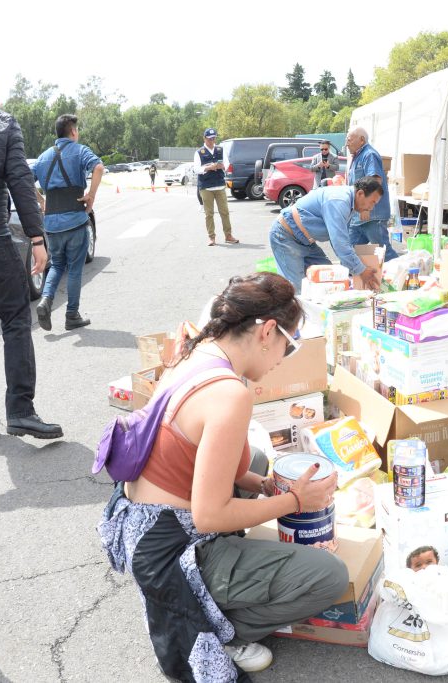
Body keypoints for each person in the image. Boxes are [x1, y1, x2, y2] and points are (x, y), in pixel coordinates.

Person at [98, 272, 347, 678]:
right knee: (329, 576)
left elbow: (193, 455)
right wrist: (296, 502)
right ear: (268, 331)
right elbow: (208, 517)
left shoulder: (198, 354)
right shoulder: (230, 394)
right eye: (290, 343)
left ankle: (211, 591)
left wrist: (262, 486)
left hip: (141, 526)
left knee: (260, 464)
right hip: (170, 551)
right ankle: (217, 628)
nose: (285, 356)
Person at [0, 73, 63, 440]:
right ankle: (20, 410)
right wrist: (37, 237)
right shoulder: (2, 125)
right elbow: (20, 181)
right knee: (16, 320)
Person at [31, 114, 103, 332]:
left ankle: (45, 301)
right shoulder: (80, 150)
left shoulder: (43, 157)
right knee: (73, 269)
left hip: (51, 222)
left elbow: (23, 179)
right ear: (73, 131)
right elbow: (98, 167)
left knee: (58, 264)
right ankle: (71, 314)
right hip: (75, 219)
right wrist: (91, 194)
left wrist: (41, 199)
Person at [268, 176, 384, 292]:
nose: (372, 208)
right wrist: (360, 270)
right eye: (372, 202)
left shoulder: (350, 205)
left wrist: (354, 268)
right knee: (295, 289)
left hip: (305, 241)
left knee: (329, 278)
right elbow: (339, 242)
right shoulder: (339, 200)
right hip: (286, 236)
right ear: (360, 193)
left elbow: (341, 240)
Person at [345, 127, 398, 262]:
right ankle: (351, 280)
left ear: (361, 140)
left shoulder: (369, 155)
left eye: (349, 140)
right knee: (349, 251)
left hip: (372, 215)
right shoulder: (357, 157)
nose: (347, 143)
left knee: (384, 253)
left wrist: (367, 208)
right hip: (358, 216)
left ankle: (405, 276)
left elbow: (374, 181)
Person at [194, 128, 239, 247]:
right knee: (209, 214)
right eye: (210, 139)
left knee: (224, 212)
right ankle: (211, 237)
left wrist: (222, 166)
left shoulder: (220, 149)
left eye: (214, 138)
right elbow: (196, 169)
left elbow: (227, 164)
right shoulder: (199, 152)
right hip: (206, 187)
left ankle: (228, 235)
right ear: (205, 139)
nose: (212, 141)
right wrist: (209, 167)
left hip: (219, 185)